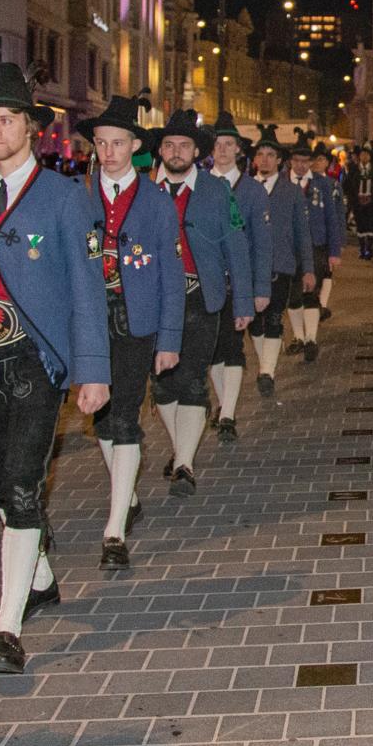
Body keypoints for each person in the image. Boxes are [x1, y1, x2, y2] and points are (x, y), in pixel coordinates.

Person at [0, 63, 109, 675]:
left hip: (37, 360)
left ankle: (8, 624)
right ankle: (37, 576)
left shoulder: (67, 198)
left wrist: (93, 370)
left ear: (31, 128)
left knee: (21, 481)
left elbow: (89, 291)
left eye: (4, 121)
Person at [77, 96, 183, 571]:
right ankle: (129, 493)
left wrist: (169, 339)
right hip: (89, 320)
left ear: (136, 146)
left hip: (136, 321)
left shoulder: (157, 203)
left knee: (124, 417)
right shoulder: (76, 199)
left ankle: (115, 529)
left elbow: (171, 275)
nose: (109, 152)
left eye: (118, 143)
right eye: (101, 144)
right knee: (100, 418)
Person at [152, 112, 253, 495]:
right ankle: (182, 445)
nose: (176, 152)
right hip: (155, 300)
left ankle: (184, 465)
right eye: (169, 145)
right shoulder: (147, 191)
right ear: (160, 150)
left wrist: (242, 300)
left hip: (200, 297)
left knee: (193, 378)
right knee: (162, 386)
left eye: (184, 146)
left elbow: (237, 248)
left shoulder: (216, 191)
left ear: (197, 152)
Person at [204, 115, 272, 438]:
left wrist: (260, 288)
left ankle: (228, 413)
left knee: (232, 347)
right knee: (213, 350)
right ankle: (223, 402)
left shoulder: (253, 191)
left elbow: (262, 244)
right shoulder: (199, 186)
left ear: (239, 150)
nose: (222, 151)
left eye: (229, 145)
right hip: (206, 283)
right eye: (217, 145)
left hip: (239, 283)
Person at [249, 127, 314, 396]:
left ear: (279, 160)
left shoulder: (291, 192)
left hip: (281, 263)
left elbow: (302, 233)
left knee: (274, 317)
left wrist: (308, 269)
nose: (264, 159)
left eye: (270, 155)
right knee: (254, 322)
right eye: (260, 154)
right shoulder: (244, 188)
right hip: (251, 266)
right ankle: (266, 361)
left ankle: (267, 371)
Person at [288, 139, 343, 360]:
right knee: (293, 295)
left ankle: (311, 338)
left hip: (316, 244)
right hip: (290, 247)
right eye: (297, 161)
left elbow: (332, 217)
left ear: (310, 162)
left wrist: (335, 250)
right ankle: (298, 336)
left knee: (311, 290)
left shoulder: (323, 183)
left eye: (305, 161)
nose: (301, 165)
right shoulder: (283, 183)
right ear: (291, 162)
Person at [310, 145, 343, 320]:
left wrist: (340, 240)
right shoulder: (308, 182)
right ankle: (316, 305)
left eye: (321, 159)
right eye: (315, 159)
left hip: (329, 234)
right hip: (314, 236)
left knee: (327, 272)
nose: (317, 163)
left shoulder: (333, 184)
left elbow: (338, 213)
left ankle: (322, 303)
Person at [341, 142, 373, 259]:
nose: (364, 157)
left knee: (371, 224)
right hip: (357, 201)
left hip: (372, 201)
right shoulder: (353, 168)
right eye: (362, 155)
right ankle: (362, 249)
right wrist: (347, 196)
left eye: (366, 155)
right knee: (361, 225)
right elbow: (346, 184)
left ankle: (370, 249)